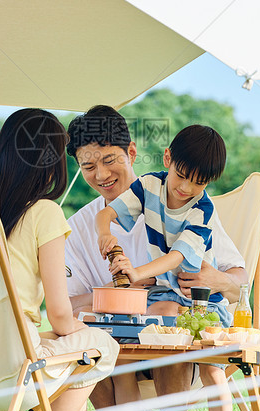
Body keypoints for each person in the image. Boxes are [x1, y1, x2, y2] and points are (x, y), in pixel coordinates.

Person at [65, 106, 248, 411]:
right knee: (95, 338)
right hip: (115, 349)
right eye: (89, 166)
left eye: (109, 161)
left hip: (178, 342)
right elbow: (65, 307)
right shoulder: (77, 228)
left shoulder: (194, 208)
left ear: (131, 153)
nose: (102, 174)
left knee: (168, 315)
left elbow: (238, 281)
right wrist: (120, 294)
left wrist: (214, 280)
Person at [0, 108, 119, 411]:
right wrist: (86, 331)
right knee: (102, 344)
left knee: (68, 345)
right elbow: (61, 317)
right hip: (13, 367)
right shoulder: (43, 212)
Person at [98, 124, 231, 326]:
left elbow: (176, 257)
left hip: (201, 303)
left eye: (199, 182)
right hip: (162, 293)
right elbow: (105, 213)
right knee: (123, 318)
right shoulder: (148, 185)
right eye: (181, 175)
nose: (186, 188)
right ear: (168, 158)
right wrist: (104, 233)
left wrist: (136, 272)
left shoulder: (203, 211)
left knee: (164, 318)